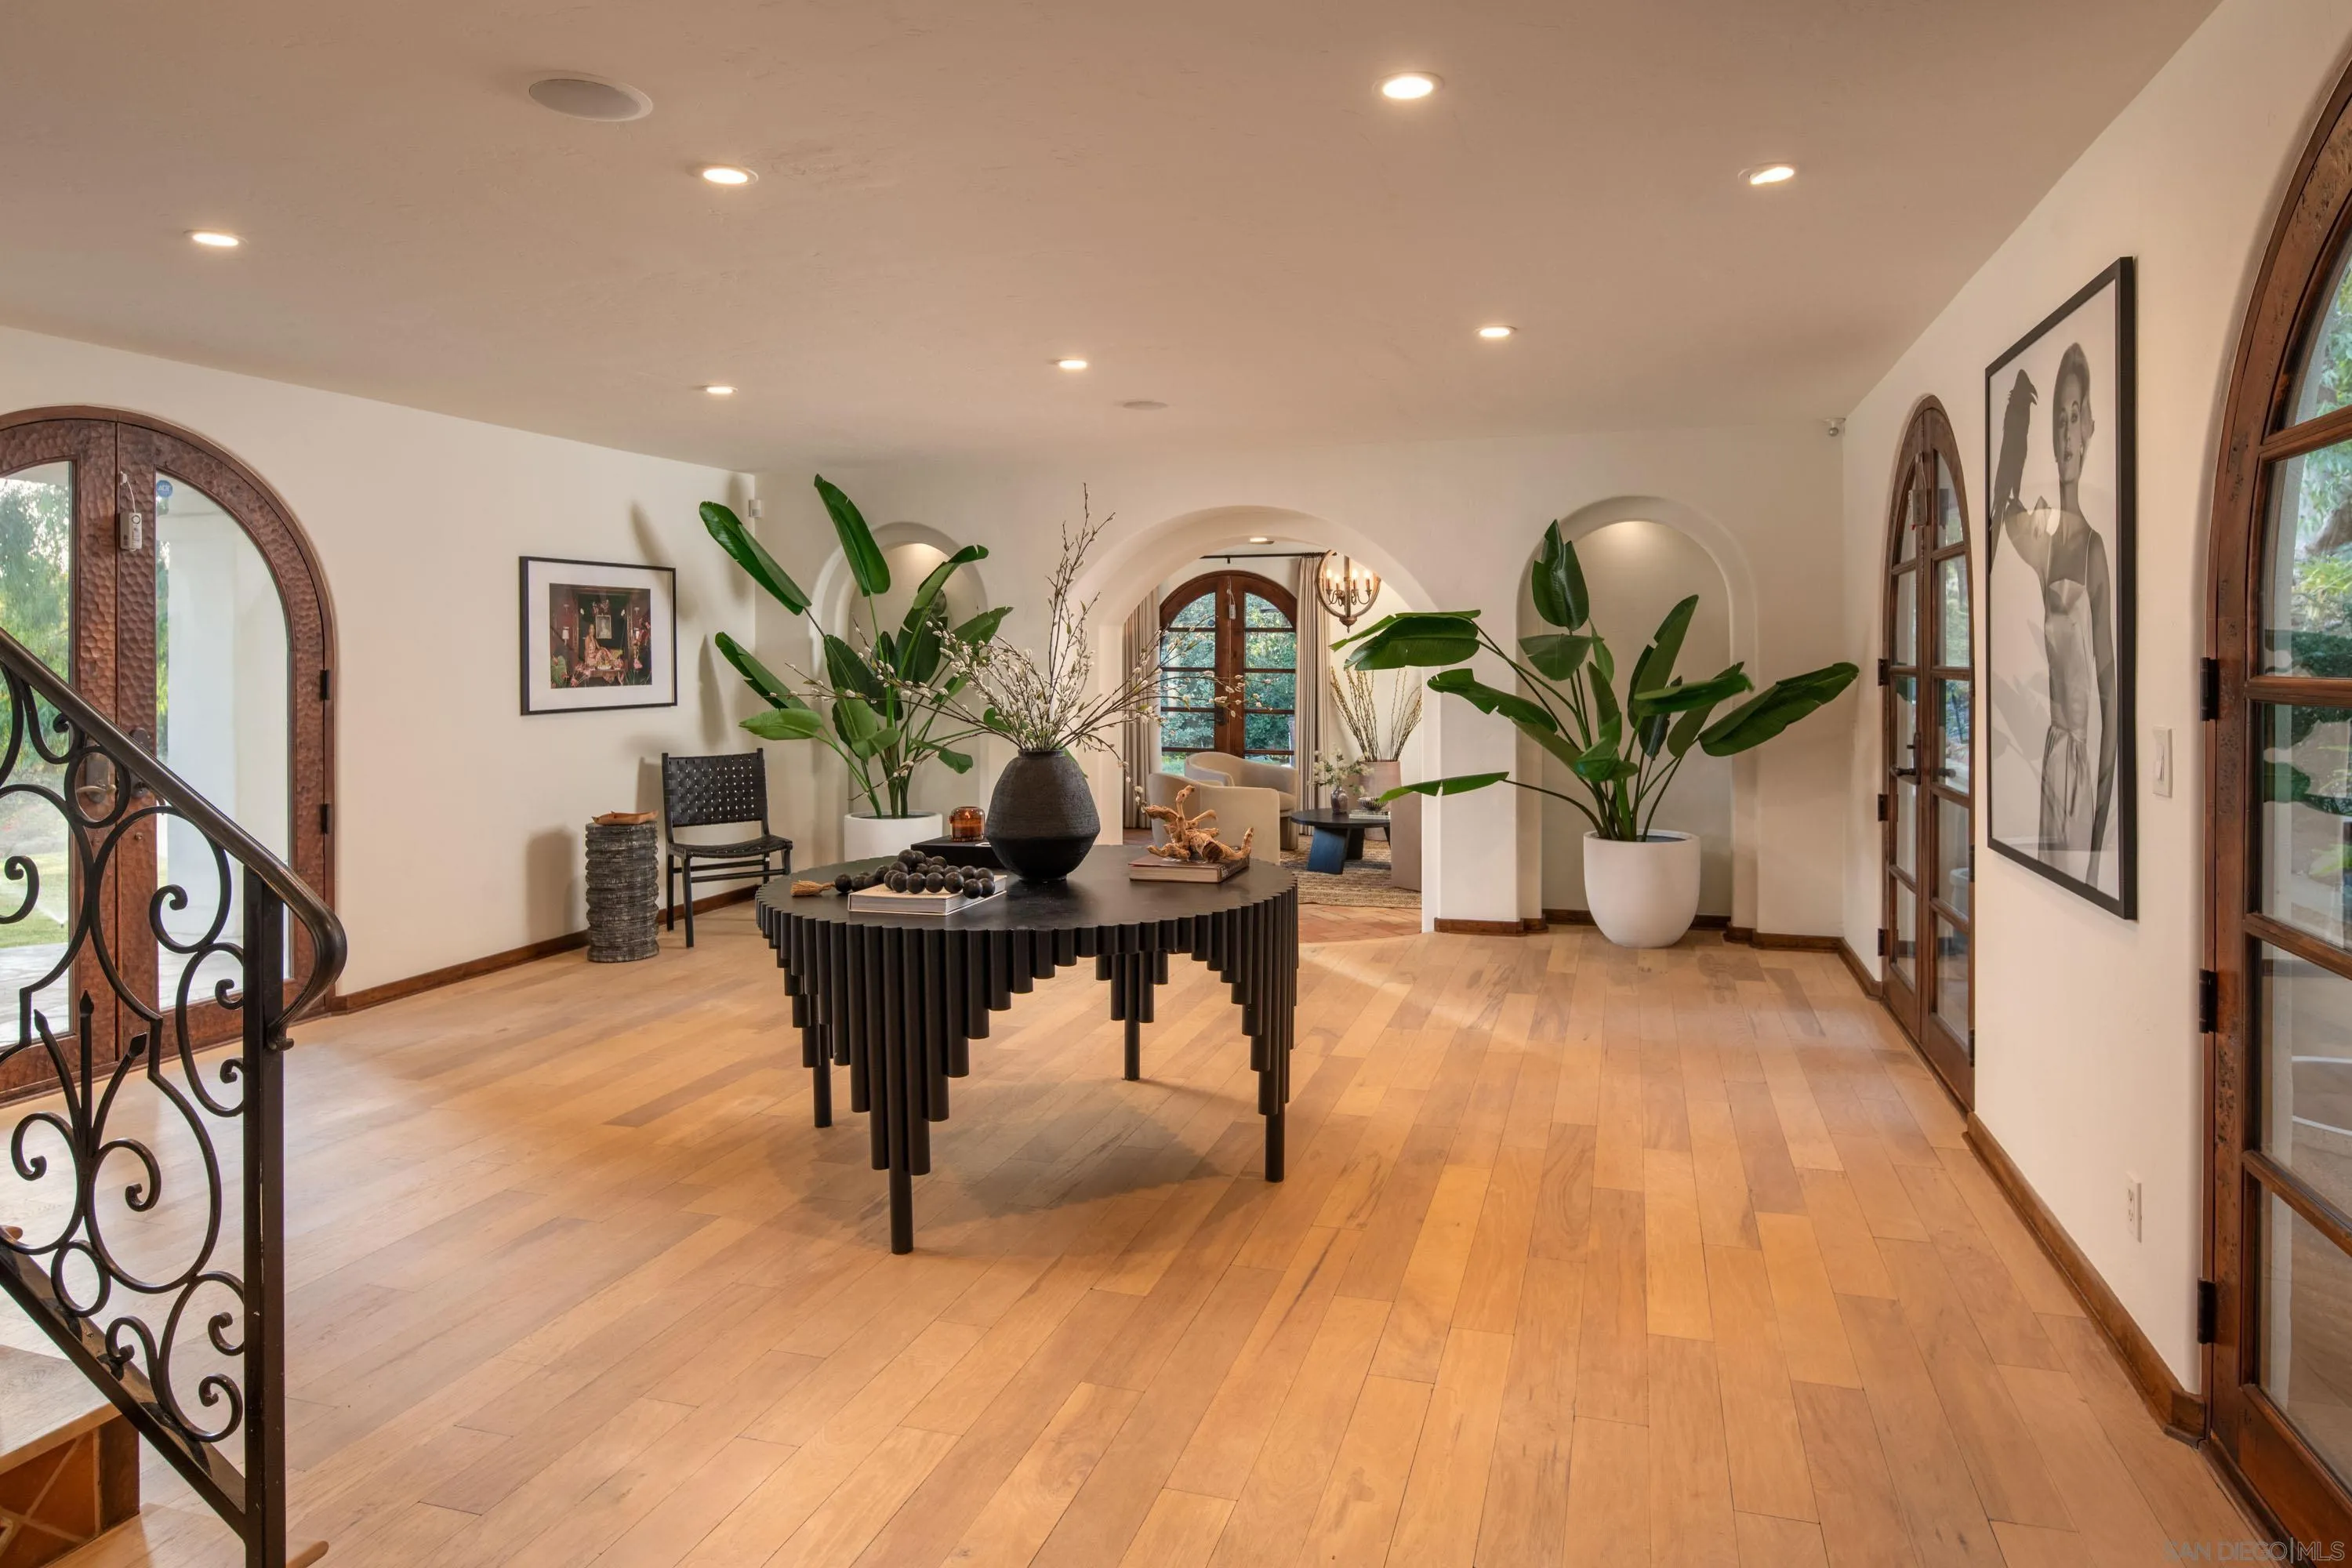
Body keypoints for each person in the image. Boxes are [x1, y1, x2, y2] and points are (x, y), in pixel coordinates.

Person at [1988, 346, 2118, 884]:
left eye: (2074, 416)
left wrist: (2103, 822)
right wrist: (2014, 423)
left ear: (2089, 429)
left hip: (2082, 763)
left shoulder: (2092, 549)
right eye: (2059, 420)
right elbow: (2002, 507)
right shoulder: (2044, 540)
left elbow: (2110, 689)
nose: (2066, 434)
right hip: (2053, 754)